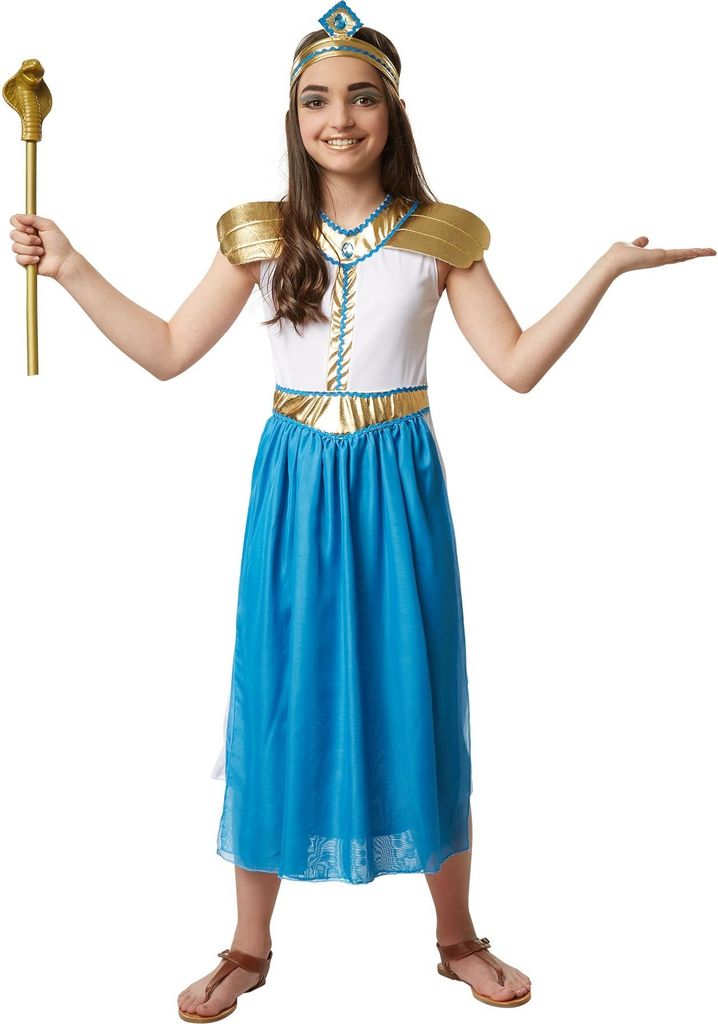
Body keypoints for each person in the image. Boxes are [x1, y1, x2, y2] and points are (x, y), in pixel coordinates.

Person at [8, 4, 714, 1020]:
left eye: (361, 97)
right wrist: (70, 267)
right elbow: (166, 350)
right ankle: (248, 946)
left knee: (416, 692)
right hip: (296, 490)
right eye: (316, 100)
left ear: (393, 111)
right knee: (277, 694)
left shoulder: (440, 235)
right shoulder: (261, 234)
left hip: (396, 488)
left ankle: (457, 937)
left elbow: (516, 365)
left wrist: (602, 270)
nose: (338, 118)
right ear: (293, 117)